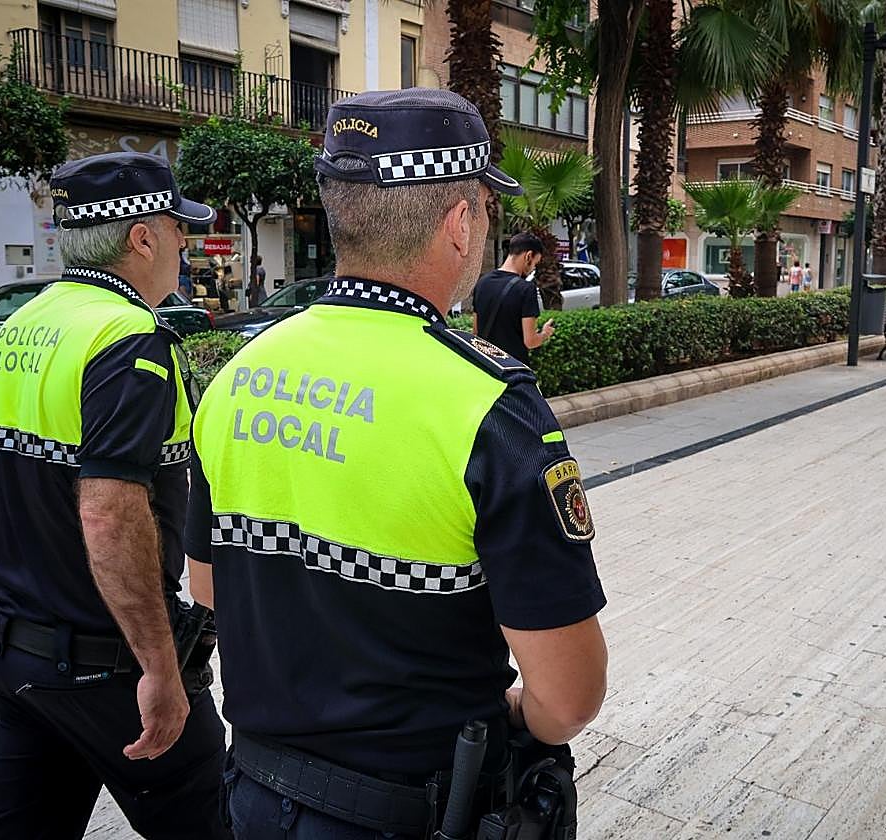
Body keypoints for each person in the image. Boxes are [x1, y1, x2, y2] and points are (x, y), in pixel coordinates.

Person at [186, 88, 608, 840]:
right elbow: (569, 698)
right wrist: (512, 712)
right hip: (414, 812)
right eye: (484, 209)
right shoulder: (487, 406)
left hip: (252, 795)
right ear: (459, 223)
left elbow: (207, 586)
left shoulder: (235, 376)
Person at [0, 152, 229, 839]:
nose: (186, 244)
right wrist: (158, 668)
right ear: (143, 236)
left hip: (16, 645)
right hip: (104, 666)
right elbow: (108, 512)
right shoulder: (130, 339)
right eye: (180, 228)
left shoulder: (26, 324)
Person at [472, 232, 554, 363]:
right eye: (535, 263)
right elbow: (530, 341)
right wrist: (545, 334)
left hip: (486, 367)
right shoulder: (526, 289)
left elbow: (475, 332)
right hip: (512, 368)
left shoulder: (482, 282)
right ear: (528, 256)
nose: (533, 268)